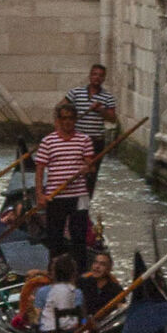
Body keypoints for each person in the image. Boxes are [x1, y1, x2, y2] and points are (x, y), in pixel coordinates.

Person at [33, 99, 96, 273]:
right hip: (56, 195)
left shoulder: (84, 140)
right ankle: (55, 273)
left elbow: (91, 166)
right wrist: (40, 195)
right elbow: (40, 170)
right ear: (59, 120)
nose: (67, 121)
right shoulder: (48, 141)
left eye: (71, 118)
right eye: (64, 118)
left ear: (75, 120)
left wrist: (87, 168)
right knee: (55, 238)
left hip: (79, 195)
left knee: (79, 238)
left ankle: (81, 274)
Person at [62, 62, 118, 187]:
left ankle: (86, 202)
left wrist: (100, 110)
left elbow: (113, 119)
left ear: (103, 79)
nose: (97, 77)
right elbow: (60, 108)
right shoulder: (75, 93)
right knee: (74, 170)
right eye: (94, 74)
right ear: (90, 76)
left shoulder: (108, 97)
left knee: (91, 174)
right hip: (77, 140)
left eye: (100, 75)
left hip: (95, 141)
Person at [36, 253, 86, 333]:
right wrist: (84, 323)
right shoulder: (74, 291)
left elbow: (37, 318)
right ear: (73, 273)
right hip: (61, 332)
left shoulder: (55, 291)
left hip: (51, 331)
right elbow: (81, 318)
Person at [78, 248, 125, 324]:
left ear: (109, 269)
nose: (97, 266)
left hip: (105, 325)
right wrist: (84, 322)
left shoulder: (115, 289)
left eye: (102, 264)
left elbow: (121, 309)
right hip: (83, 324)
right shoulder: (82, 282)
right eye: (95, 263)